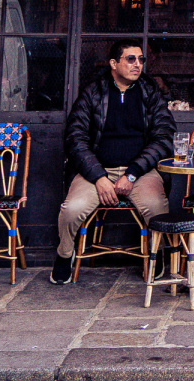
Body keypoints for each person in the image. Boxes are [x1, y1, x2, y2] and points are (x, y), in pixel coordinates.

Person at [52, 42, 174, 285]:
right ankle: (65, 254)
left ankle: (155, 254)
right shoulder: (93, 93)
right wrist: (98, 177)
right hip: (97, 171)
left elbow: (163, 138)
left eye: (141, 59)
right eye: (130, 59)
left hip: (140, 172)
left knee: (156, 208)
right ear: (114, 64)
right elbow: (75, 139)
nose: (137, 64)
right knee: (72, 209)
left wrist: (131, 174)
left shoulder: (151, 92)